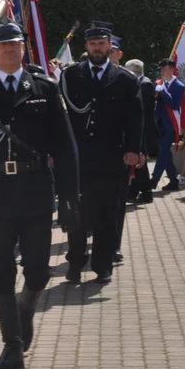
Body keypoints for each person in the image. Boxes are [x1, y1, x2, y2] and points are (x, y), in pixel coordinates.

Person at [0, 21, 79, 369]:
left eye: (15, 44)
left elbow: (65, 149)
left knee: (38, 270)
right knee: (0, 271)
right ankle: (12, 346)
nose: (9, 49)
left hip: (35, 190)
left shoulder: (44, 89)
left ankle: (25, 310)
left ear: (24, 49)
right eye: (1, 45)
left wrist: (70, 199)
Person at [60, 22, 143, 285]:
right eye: (93, 44)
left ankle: (103, 265)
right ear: (87, 47)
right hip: (79, 158)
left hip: (112, 157)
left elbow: (135, 118)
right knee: (78, 214)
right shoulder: (71, 76)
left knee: (108, 214)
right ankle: (75, 262)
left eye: (102, 43)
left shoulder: (125, 79)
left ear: (111, 47)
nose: (97, 48)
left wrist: (134, 150)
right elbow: (61, 119)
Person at [126, 59, 157, 204]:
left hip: (143, 128)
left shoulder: (144, 84)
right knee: (139, 163)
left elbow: (142, 110)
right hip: (139, 127)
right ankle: (141, 192)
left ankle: (142, 192)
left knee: (140, 161)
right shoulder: (140, 83)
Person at [151, 59, 185, 191]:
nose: (163, 72)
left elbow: (174, 105)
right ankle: (173, 180)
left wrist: (163, 92)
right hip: (158, 121)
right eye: (161, 69)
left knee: (163, 151)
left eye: (165, 69)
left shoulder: (179, 86)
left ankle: (154, 179)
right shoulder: (159, 83)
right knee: (166, 153)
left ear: (172, 69)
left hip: (170, 123)